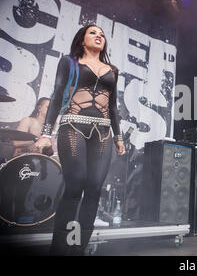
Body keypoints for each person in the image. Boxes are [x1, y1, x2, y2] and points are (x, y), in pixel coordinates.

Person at [35, 24, 125, 255]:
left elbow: (112, 107)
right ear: (82, 38)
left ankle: (77, 248)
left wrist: (119, 137)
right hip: (73, 126)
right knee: (75, 185)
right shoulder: (69, 62)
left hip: (103, 132)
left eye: (102, 35)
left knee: (94, 188)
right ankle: (58, 249)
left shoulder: (112, 70)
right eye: (93, 32)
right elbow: (56, 96)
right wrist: (46, 133)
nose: (99, 36)